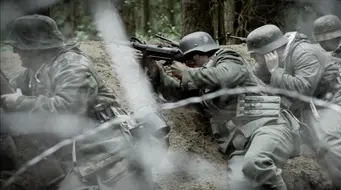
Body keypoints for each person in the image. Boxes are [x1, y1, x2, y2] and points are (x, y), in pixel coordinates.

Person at [1, 14, 169, 190]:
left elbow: (69, 109)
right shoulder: (35, 72)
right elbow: (9, 94)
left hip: (106, 153)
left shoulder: (72, 64)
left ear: (35, 46)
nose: (15, 52)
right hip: (74, 155)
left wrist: (20, 102)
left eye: (18, 46)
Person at [148, 31, 300, 190]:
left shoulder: (227, 57)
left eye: (191, 58)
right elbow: (178, 94)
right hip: (240, 143)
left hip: (268, 127)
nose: (189, 63)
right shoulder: (203, 82)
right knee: (239, 184)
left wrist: (187, 73)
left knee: (256, 163)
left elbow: (225, 76)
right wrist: (156, 72)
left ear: (204, 53)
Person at [246, 24, 341, 190]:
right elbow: (254, 78)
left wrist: (275, 71)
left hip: (331, 102)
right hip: (307, 106)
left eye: (256, 56)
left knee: (328, 143)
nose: (255, 60)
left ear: (269, 52)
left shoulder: (304, 52)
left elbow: (303, 89)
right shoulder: (272, 59)